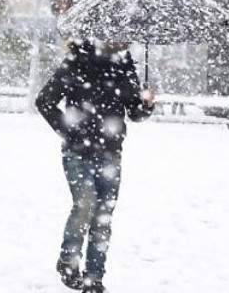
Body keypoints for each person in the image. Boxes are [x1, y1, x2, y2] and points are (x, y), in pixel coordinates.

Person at [36, 38, 155, 293]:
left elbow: (134, 112)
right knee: (86, 204)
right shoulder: (77, 61)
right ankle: (68, 261)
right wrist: (71, 132)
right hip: (77, 152)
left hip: (110, 153)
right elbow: (44, 101)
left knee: (103, 216)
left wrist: (146, 104)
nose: (122, 37)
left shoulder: (124, 65)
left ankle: (94, 278)